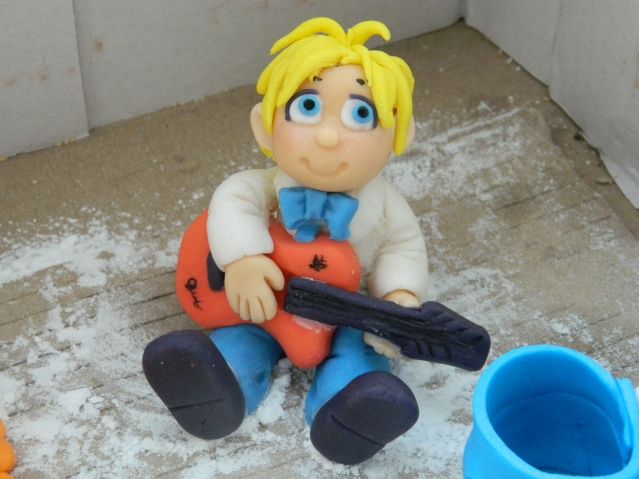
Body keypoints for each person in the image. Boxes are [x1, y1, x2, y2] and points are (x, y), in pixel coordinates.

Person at [143, 17, 428, 465]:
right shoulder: (262, 186)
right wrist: (242, 259)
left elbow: (403, 247)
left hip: (346, 310)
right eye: (307, 108)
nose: (328, 136)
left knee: (356, 352)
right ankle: (219, 387)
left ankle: (348, 414)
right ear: (264, 127)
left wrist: (398, 297)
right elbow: (233, 204)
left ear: (398, 138)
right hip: (265, 302)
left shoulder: (386, 207)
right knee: (244, 337)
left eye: (360, 115)